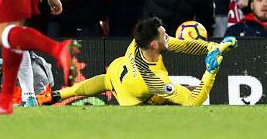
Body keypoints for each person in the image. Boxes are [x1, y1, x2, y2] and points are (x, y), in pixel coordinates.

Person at [48, 17, 237, 106]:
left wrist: (214, 47)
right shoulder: (153, 79)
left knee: (106, 80)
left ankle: (59, 94)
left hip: (116, 72)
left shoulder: (139, 42)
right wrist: (210, 71)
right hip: (135, 100)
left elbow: (183, 45)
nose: (168, 37)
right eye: (165, 35)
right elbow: (192, 102)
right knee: (186, 93)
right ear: (155, 44)